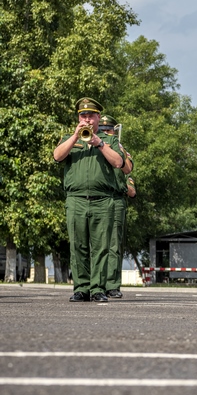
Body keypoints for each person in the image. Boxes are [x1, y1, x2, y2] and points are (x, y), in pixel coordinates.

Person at [53, 97, 124, 302]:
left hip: (103, 200)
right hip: (76, 199)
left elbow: (119, 162)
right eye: (83, 116)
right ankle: (81, 288)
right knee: (78, 246)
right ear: (78, 118)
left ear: (98, 118)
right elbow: (57, 156)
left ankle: (98, 289)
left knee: (101, 247)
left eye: (90, 116)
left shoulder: (109, 140)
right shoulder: (69, 138)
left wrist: (100, 143)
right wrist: (76, 136)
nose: (87, 119)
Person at [98, 115, 135, 299]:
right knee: (96, 243)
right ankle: (96, 284)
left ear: (114, 131)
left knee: (113, 244)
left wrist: (117, 150)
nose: (105, 133)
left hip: (115, 199)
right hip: (97, 196)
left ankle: (112, 285)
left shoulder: (120, 148)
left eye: (109, 130)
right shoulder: (94, 146)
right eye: (102, 130)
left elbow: (128, 168)